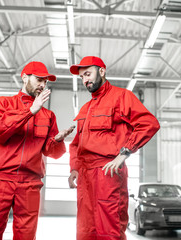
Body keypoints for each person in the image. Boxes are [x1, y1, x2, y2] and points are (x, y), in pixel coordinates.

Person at [0, 61, 75, 240]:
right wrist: (29, 111)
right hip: (0, 180)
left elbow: (53, 153)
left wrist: (58, 141)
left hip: (30, 183)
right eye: (38, 79)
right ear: (24, 77)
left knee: (26, 236)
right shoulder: (2, 103)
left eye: (45, 81)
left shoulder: (48, 116)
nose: (42, 85)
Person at [68, 56, 160, 240]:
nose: (85, 79)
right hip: (85, 176)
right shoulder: (85, 109)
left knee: (109, 229)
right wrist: (75, 168)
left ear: (101, 71)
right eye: (81, 77)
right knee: (85, 230)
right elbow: (76, 143)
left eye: (88, 74)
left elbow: (149, 123)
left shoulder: (121, 97)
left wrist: (124, 152)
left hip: (107, 172)